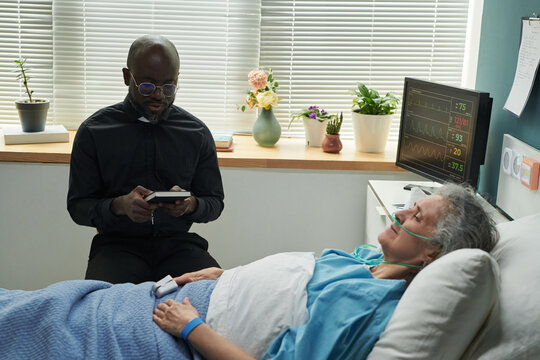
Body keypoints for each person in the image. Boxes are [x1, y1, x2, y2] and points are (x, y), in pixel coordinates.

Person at [2, 184, 498, 359]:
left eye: (418, 217)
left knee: (50, 326)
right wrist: (224, 275)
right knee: (53, 303)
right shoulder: (368, 260)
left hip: (183, 330)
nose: (402, 212)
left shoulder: (363, 308)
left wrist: (192, 328)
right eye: (413, 204)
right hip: (194, 292)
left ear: (435, 254)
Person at [67, 35, 224, 284]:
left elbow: (215, 202)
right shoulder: (94, 131)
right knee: (103, 310)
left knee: (219, 298)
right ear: (127, 77)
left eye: (169, 86)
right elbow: (77, 208)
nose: (160, 96)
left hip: (179, 246)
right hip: (117, 248)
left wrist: (190, 204)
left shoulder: (196, 133)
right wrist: (119, 205)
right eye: (148, 86)